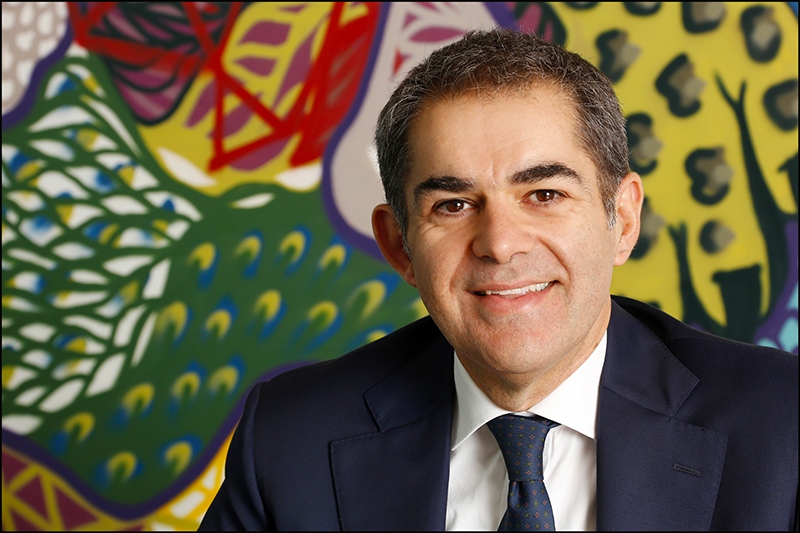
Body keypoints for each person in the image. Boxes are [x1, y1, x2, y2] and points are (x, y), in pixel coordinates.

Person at [198, 29, 798, 531]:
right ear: (399, 246)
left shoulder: (784, 425)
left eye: (544, 194)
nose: (501, 244)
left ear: (623, 220)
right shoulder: (289, 442)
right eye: (453, 205)